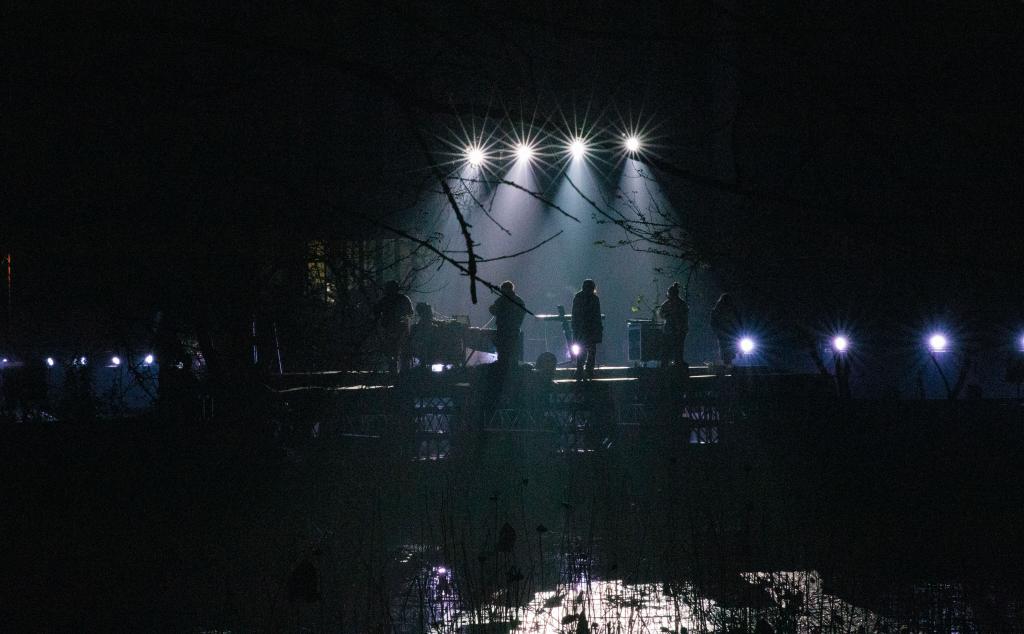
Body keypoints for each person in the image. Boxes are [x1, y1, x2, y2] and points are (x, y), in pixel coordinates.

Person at [374, 280, 414, 374]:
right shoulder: (402, 299)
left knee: (395, 351)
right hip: (395, 329)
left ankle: (396, 371)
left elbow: (376, 312)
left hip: (397, 329)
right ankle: (399, 371)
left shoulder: (387, 300)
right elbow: (410, 313)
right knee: (396, 351)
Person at [488, 280, 527, 368]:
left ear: (504, 289)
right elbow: (523, 313)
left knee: (502, 353)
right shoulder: (519, 300)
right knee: (513, 353)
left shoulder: (502, 300)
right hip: (514, 331)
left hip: (503, 331)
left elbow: (493, 310)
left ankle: (502, 370)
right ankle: (512, 370)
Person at [571, 279, 602, 379]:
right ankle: (588, 370)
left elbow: (574, 314)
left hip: (582, 327)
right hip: (589, 328)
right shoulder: (594, 298)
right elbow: (597, 315)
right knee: (590, 350)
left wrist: (574, 326)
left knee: (583, 350)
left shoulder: (579, 297)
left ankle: (580, 370)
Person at [659, 282, 689, 368]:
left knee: (675, 347)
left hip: (676, 329)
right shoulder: (677, 303)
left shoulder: (677, 304)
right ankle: (670, 362)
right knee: (673, 347)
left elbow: (684, 317)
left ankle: (674, 362)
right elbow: (661, 314)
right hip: (673, 329)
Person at [710, 293, 740, 367]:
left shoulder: (718, 310)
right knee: (728, 349)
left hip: (726, 332)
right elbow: (713, 323)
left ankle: (728, 363)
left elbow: (713, 323)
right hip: (727, 332)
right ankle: (728, 364)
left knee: (727, 349)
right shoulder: (729, 309)